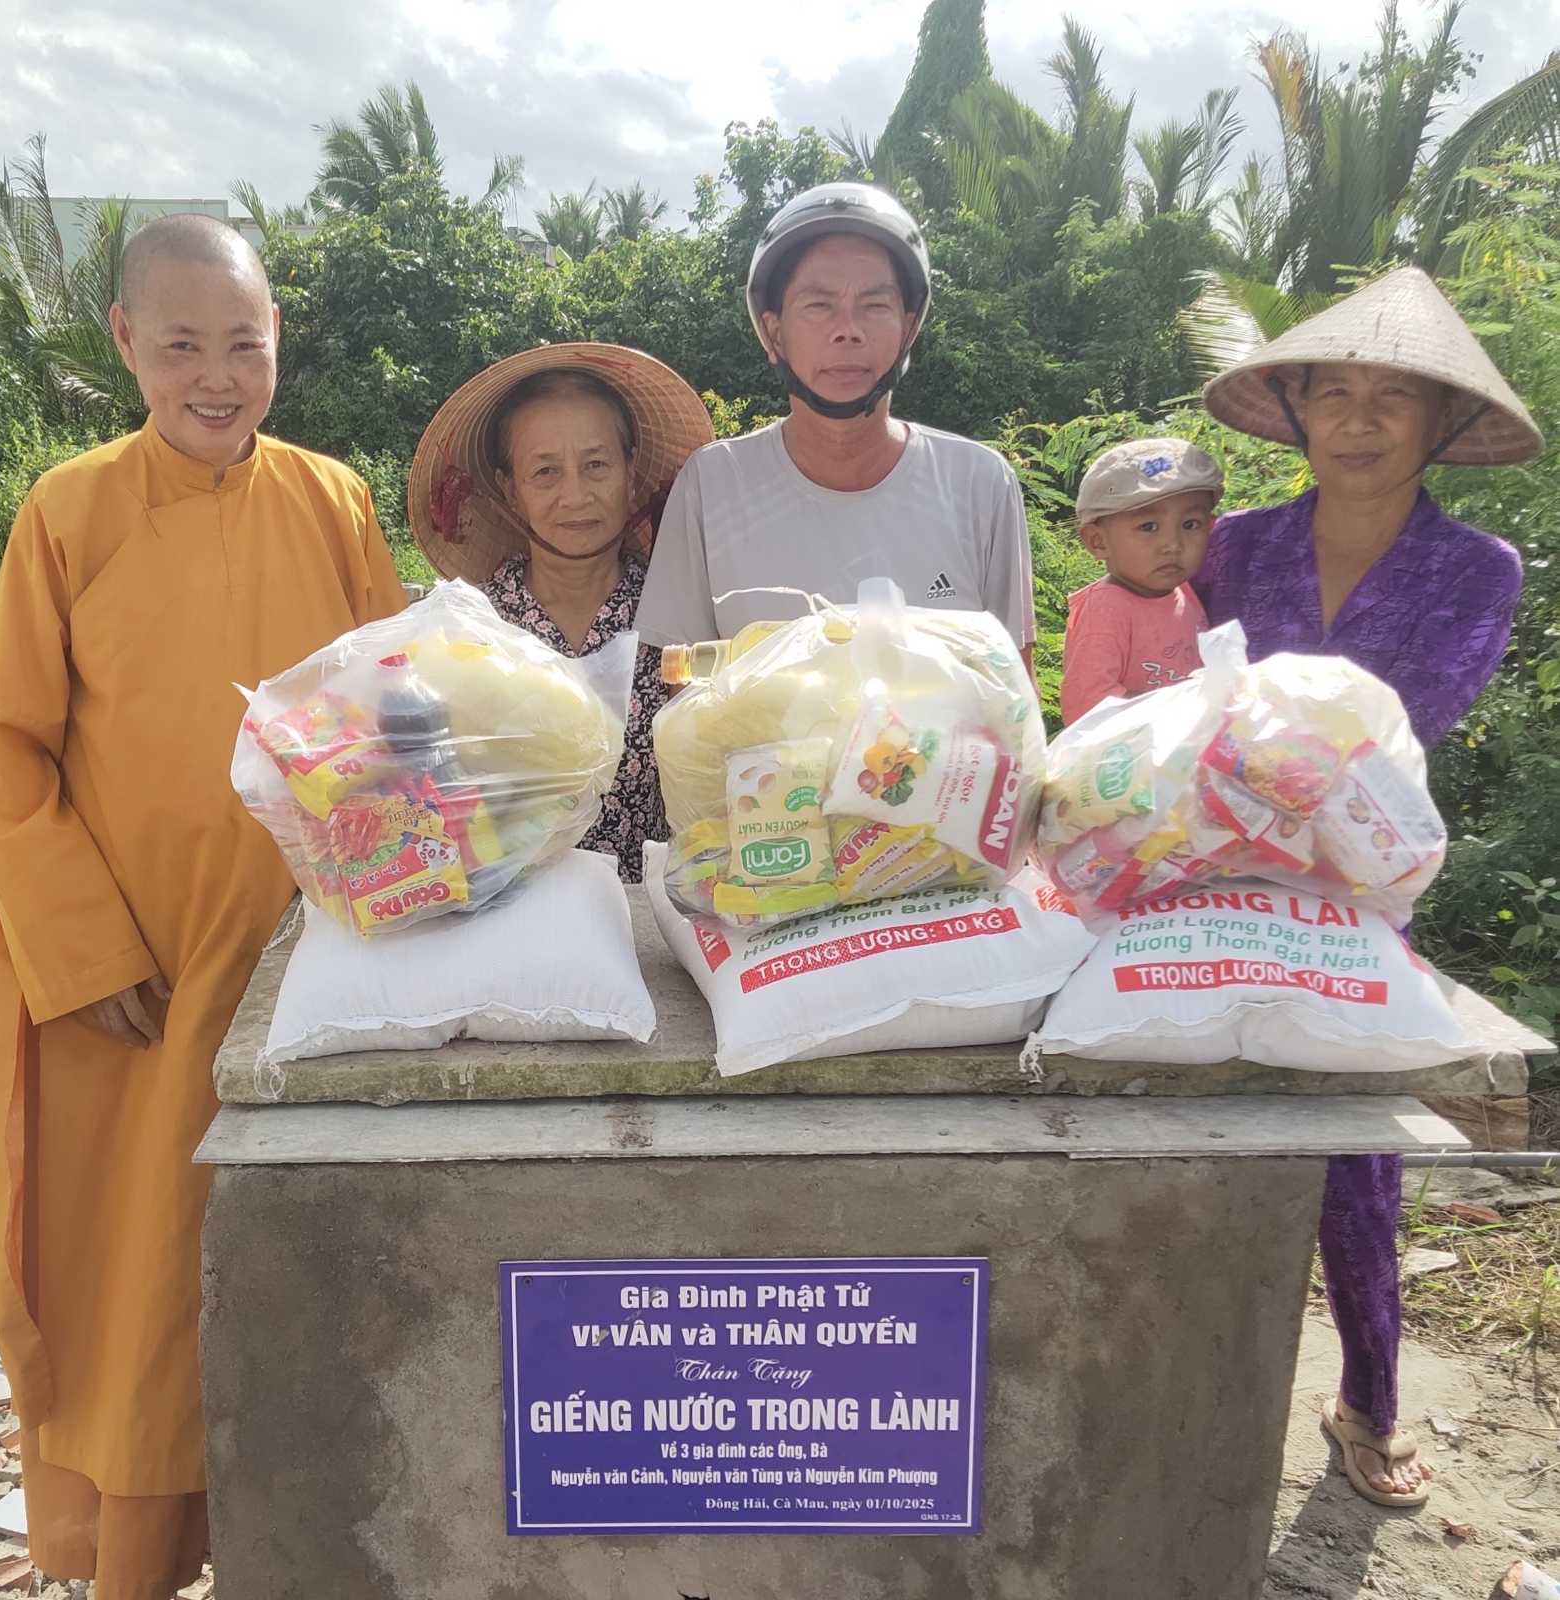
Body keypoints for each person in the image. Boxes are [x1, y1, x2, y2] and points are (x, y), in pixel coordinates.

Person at [0, 213, 407, 1597]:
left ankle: (318, 1536)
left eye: (242, 344)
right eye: (180, 345)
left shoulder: (332, 498)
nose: (216, 376)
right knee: (140, 1282)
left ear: (278, 343)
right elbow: (8, 754)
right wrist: (83, 948)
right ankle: (141, 1559)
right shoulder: (70, 511)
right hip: (136, 979)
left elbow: (391, 702)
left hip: (310, 947)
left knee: (312, 1254)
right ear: (125, 343)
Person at [1197, 265, 1544, 1509]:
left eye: (1389, 398)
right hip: (1206, 870)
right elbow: (1183, 703)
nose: (1355, 420)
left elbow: (1412, 724)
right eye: (1331, 393)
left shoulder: (1476, 568)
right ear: (1294, 411)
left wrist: (1271, 788)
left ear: (1440, 421)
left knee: (1356, 1151)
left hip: (1358, 887)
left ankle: (1368, 1400)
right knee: (1192, 1113)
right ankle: (1185, 1378)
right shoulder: (1230, 546)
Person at [635, 183, 1034, 673]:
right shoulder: (712, 484)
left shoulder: (980, 484)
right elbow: (684, 684)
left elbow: (1014, 689)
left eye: (874, 304)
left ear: (908, 328)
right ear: (774, 332)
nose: (848, 329)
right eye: (819, 305)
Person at [408, 344, 714, 882]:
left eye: (596, 465)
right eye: (545, 472)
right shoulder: (471, 631)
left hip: (651, 919)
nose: (575, 495)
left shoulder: (679, 617)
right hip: (502, 913)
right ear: (511, 490)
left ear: (630, 471)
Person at [1060, 437, 1223, 724]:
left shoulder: (1185, 591)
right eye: (1148, 527)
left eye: (1190, 525)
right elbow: (1086, 705)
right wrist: (1178, 711)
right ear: (1098, 541)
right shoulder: (1106, 609)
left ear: (1210, 528)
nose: (1173, 544)